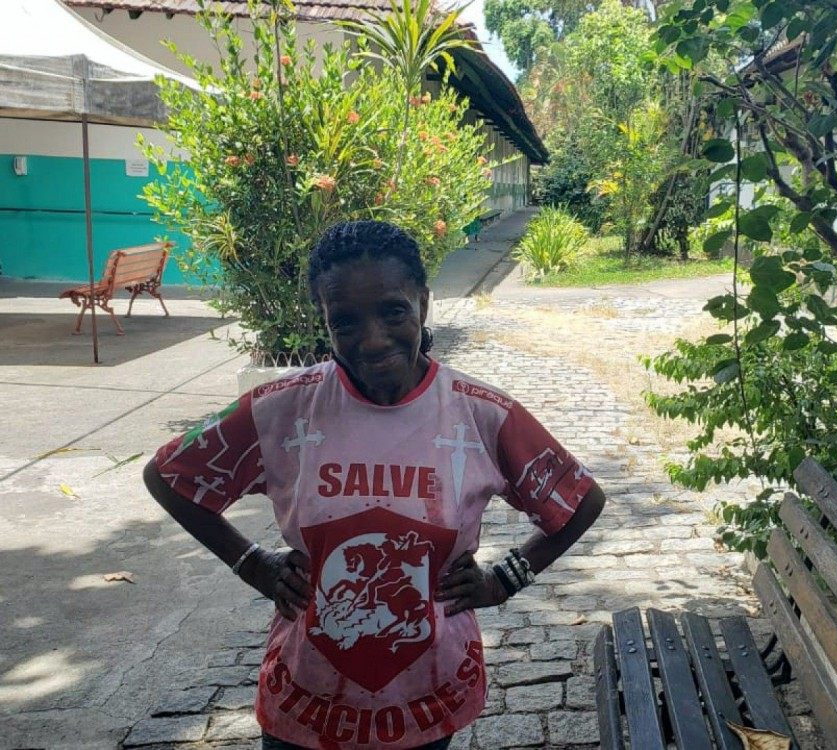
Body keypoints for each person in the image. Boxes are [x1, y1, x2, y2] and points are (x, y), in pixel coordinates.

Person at [144, 220, 606, 749]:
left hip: (429, 695)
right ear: (323, 319)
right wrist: (251, 563)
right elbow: (168, 475)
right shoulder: (282, 407)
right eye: (345, 321)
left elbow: (580, 500)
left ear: (423, 304)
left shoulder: (481, 414)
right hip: (306, 699)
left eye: (393, 311)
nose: (373, 339)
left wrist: (505, 580)